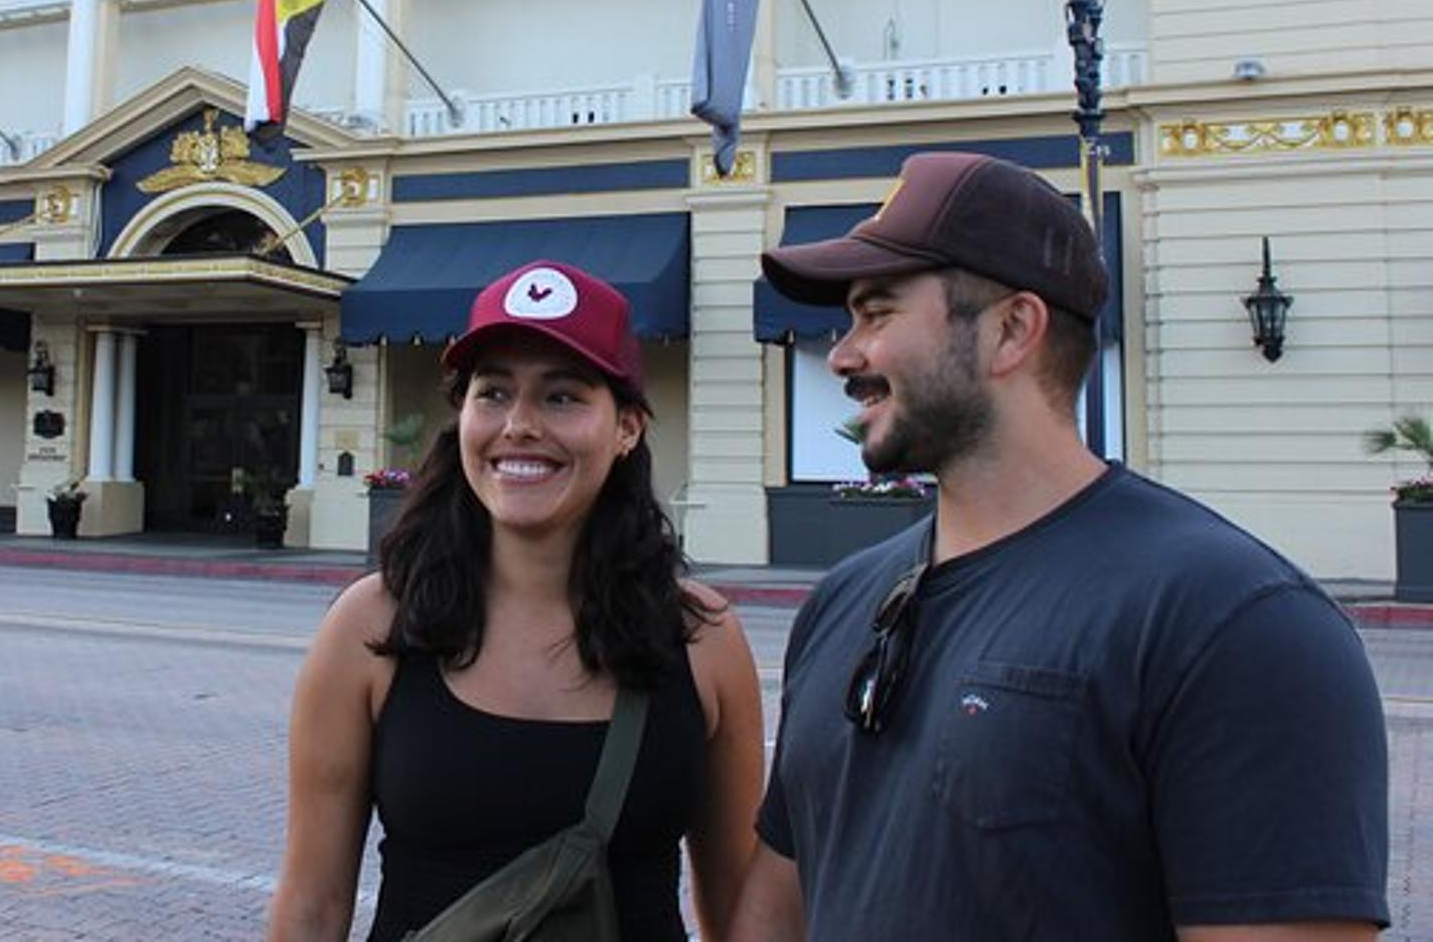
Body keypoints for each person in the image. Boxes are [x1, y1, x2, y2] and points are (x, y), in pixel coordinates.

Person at [732, 151, 1390, 940]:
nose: (842, 353)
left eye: (876, 313)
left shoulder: (1233, 621)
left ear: (1012, 328)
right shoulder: (843, 601)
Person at [269, 260, 766, 941]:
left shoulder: (704, 639)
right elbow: (311, 907)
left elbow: (742, 908)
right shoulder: (370, 625)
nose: (520, 425)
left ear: (626, 427)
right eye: (494, 393)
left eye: (562, 396)